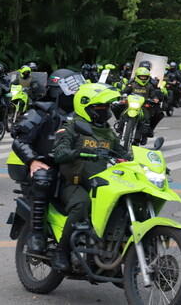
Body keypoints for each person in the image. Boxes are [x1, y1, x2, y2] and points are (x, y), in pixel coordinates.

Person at [51, 82, 131, 271]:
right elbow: (58, 153)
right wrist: (77, 153)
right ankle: (60, 251)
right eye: (101, 107)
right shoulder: (71, 127)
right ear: (86, 107)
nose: (106, 111)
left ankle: (116, 256)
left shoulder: (107, 132)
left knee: (122, 206)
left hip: (101, 184)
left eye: (107, 107)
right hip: (73, 183)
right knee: (83, 204)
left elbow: (123, 154)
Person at [9, 69, 85, 254]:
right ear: (57, 89)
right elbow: (20, 140)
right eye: (72, 88)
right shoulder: (42, 110)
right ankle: (37, 233)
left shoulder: (82, 113)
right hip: (47, 164)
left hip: (75, 166)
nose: (76, 92)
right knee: (43, 177)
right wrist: (33, 161)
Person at [117, 67, 162, 144]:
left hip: (143, 106)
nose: (143, 78)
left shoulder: (149, 86)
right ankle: (121, 130)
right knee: (122, 114)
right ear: (137, 76)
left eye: (145, 77)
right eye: (141, 76)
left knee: (146, 119)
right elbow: (124, 92)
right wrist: (122, 95)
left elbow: (153, 95)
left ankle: (144, 136)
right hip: (131, 105)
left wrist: (155, 99)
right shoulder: (132, 85)